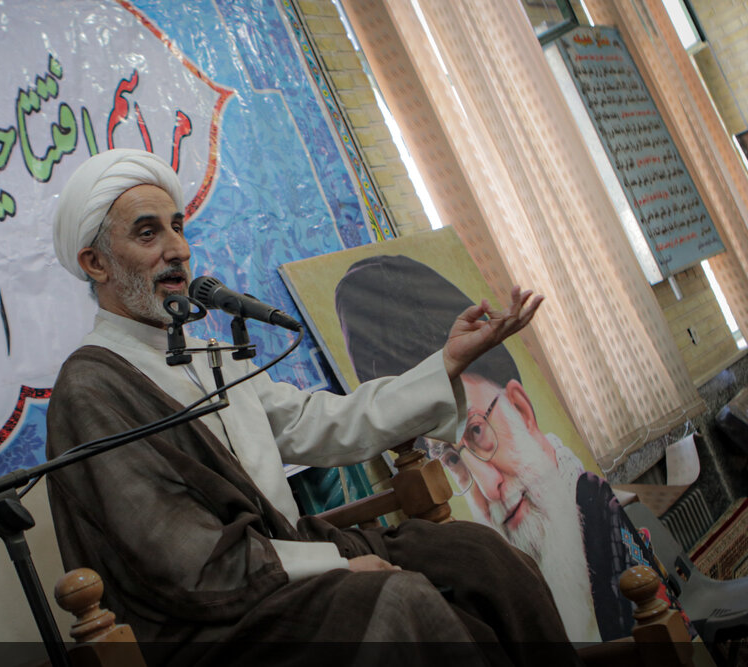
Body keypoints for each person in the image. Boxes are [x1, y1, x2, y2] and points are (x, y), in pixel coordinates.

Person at [45, 148, 581, 666]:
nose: (178, 249)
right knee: (397, 599)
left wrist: (447, 362)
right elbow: (181, 559)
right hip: (209, 619)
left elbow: (321, 423)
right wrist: (337, 564)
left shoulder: (210, 356)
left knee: (478, 554)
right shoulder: (92, 387)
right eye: (148, 233)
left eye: (178, 227)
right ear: (96, 263)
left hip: (287, 561)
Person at [334, 254, 649, 641]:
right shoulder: (488, 576)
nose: (488, 487)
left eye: (478, 431)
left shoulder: (599, 515)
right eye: (452, 459)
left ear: (521, 409)